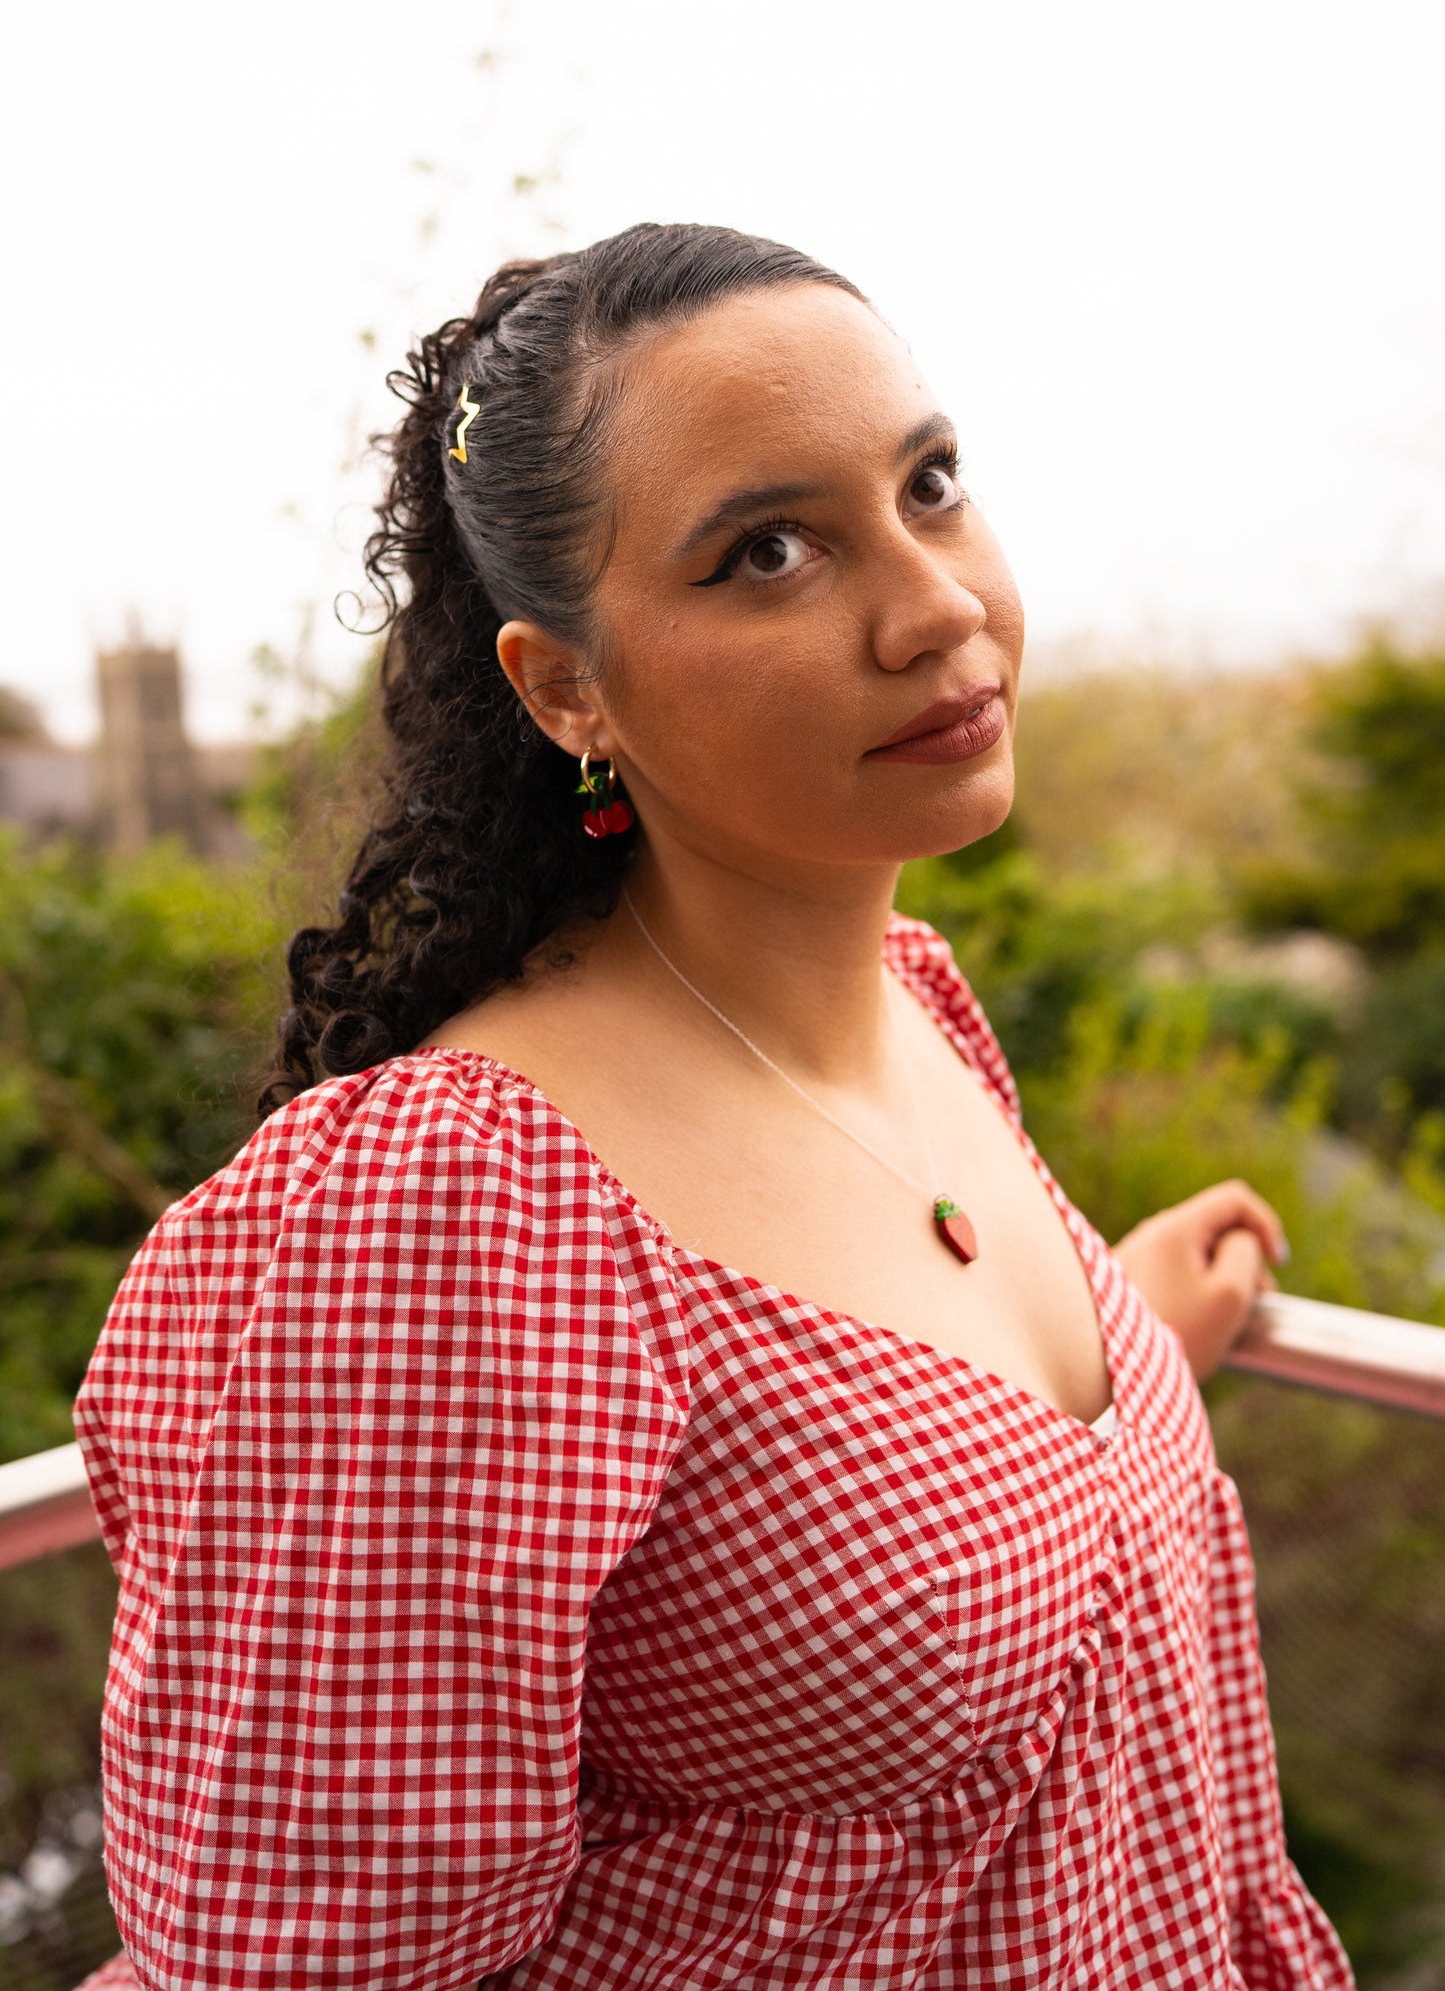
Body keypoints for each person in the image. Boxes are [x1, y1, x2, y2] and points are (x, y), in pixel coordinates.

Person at [74, 222, 1355, 1990]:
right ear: (565, 686)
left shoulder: (919, 1018)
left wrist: (1123, 1347)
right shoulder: (457, 1204)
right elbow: (305, 1957)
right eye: (767, 553)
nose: (938, 606)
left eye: (932, 483)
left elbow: (822, 1489)